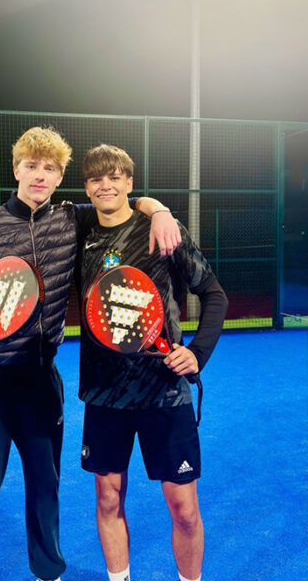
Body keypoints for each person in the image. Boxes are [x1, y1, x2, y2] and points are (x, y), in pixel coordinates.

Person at [0, 126, 181, 581]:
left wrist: (159, 210)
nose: (40, 175)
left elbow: (123, 200)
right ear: (16, 170)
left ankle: (48, 573)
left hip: (41, 381)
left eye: (50, 168)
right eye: (31, 166)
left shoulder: (71, 219)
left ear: (61, 176)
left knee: (45, 489)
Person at [77, 144, 228, 581]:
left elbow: (214, 294)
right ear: (86, 188)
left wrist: (197, 353)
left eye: (115, 177)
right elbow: (27, 217)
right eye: (96, 179)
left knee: (184, 508)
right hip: (104, 392)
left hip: (164, 390)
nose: (105, 185)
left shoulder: (162, 230)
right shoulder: (79, 229)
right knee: (108, 499)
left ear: (129, 182)